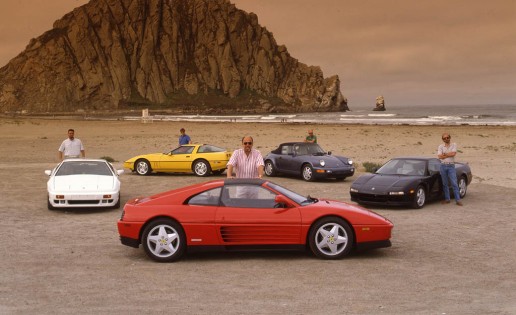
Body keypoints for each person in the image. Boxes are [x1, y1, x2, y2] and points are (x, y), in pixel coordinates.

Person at [437, 133, 463, 206]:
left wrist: (444, 154)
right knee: (445, 184)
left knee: (454, 183)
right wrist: (448, 154)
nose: (446, 139)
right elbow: (439, 156)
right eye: (444, 138)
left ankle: (458, 200)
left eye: (447, 137)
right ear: (443, 139)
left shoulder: (454, 145)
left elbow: (453, 154)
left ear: (450, 138)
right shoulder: (440, 146)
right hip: (443, 166)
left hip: (451, 166)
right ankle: (447, 199)